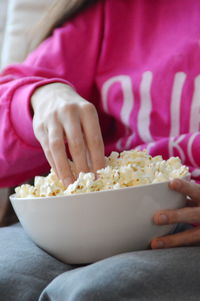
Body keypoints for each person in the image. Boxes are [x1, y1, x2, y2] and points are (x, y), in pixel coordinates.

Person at [0, 0, 200, 300]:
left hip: (186, 230)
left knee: (101, 290)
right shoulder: (114, 13)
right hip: (81, 213)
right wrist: (39, 97)